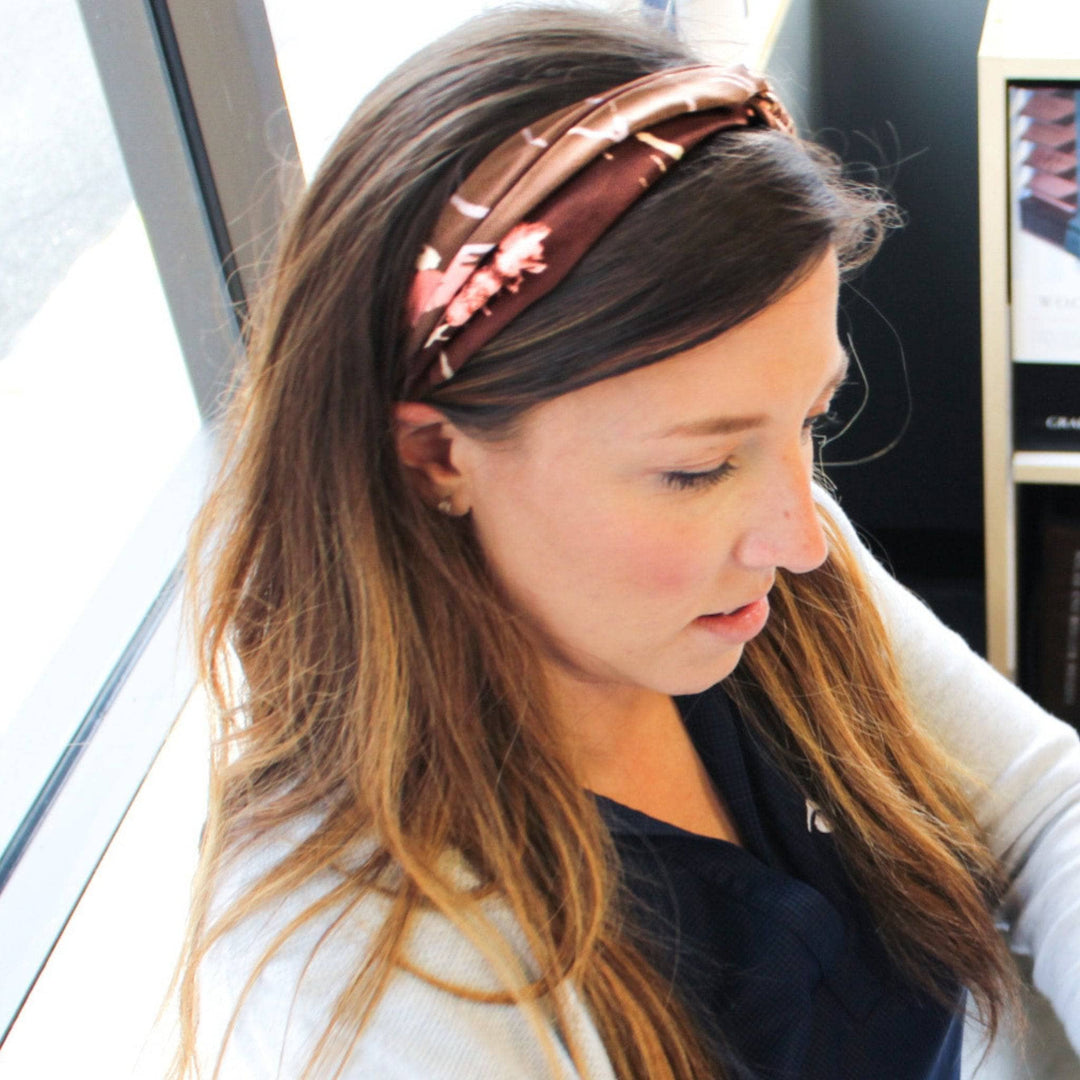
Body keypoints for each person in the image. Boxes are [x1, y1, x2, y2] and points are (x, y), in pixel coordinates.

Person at [172, 7, 1080, 1079]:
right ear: (435, 459)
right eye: (696, 470)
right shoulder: (365, 971)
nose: (801, 535)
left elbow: (1037, 809)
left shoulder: (758, 586)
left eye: (809, 421)